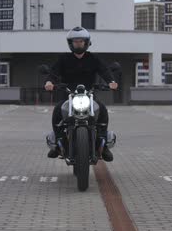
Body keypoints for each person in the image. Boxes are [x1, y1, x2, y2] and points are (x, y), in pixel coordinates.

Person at [44, 26, 118, 162]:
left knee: (102, 110)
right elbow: (54, 72)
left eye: (81, 41)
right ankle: (57, 144)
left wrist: (111, 81)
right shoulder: (64, 59)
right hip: (68, 95)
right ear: (71, 43)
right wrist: (49, 81)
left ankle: (104, 145)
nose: (78, 44)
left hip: (88, 95)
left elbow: (104, 70)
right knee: (57, 111)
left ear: (86, 42)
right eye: (75, 41)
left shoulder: (93, 58)